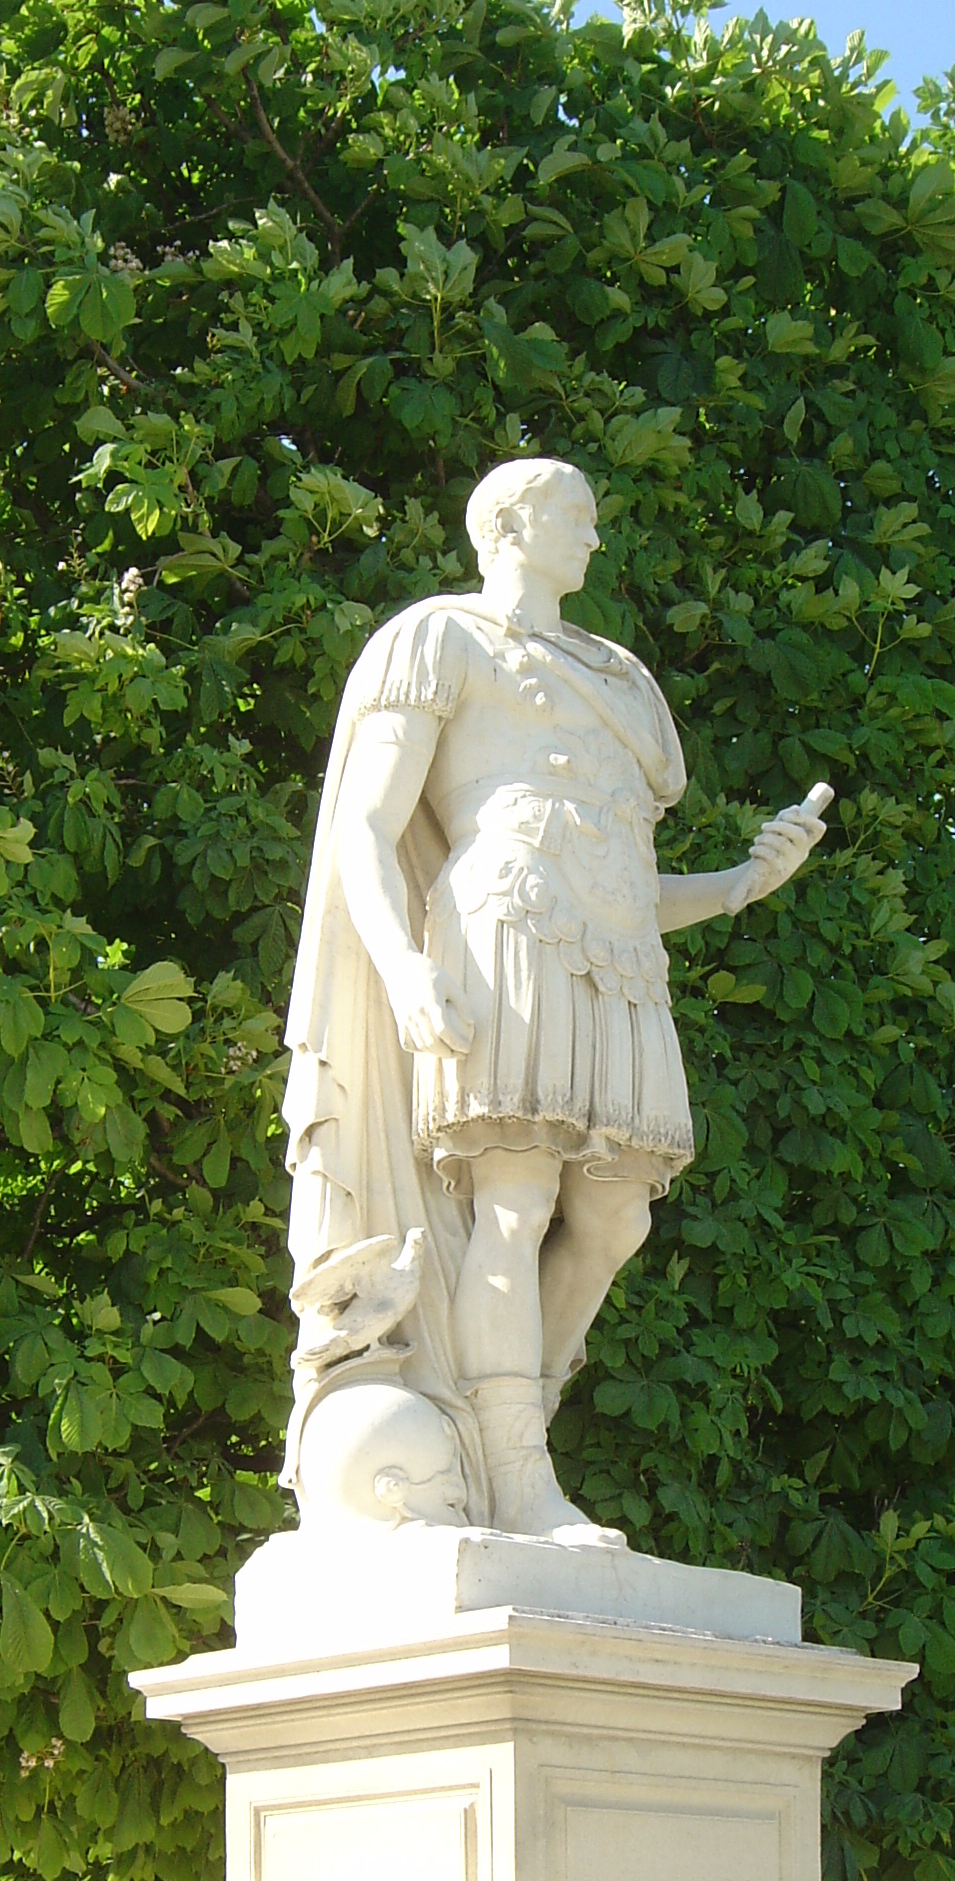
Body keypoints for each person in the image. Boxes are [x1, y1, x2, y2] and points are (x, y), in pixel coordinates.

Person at [281, 453, 832, 1540]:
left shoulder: (624, 679)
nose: (595, 536)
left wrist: (735, 886)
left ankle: (493, 1438)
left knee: (616, 1216)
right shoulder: (440, 638)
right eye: (577, 515)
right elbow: (365, 827)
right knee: (516, 1201)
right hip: (502, 931)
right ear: (512, 522)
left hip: (618, 955)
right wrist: (401, 965)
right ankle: (520, 1479)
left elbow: (622, 873)